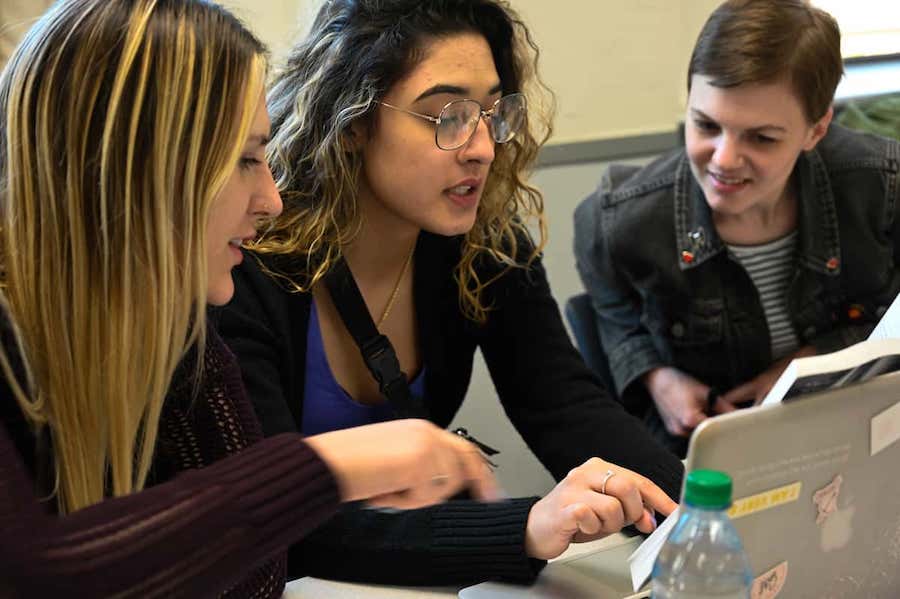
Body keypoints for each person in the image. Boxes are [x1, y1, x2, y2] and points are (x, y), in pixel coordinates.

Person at [0, 1, 499, 596]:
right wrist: (327, 469)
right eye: (243, 160)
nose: (272, 199)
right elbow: (35, 574)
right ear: (134, 172)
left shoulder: (179, 335)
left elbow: (257, 575)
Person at [215, 0, 682, 586]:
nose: (482, 147)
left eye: (491, 113)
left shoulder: (481, 244)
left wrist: (694, 509)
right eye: (447, 117)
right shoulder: (242, 265)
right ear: (354, 120)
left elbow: (563, 404)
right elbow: (280, 524)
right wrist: (525, 527)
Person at [574, 0, 900, 456]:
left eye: (762, 138)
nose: (724, 160)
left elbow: (890, 317)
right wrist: (655, 376)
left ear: (816, 129)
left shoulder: (881, 187)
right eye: (706, 124)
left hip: (858, 432)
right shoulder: (617, 219)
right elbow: (613, 311)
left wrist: (812, 365)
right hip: (713, 453)